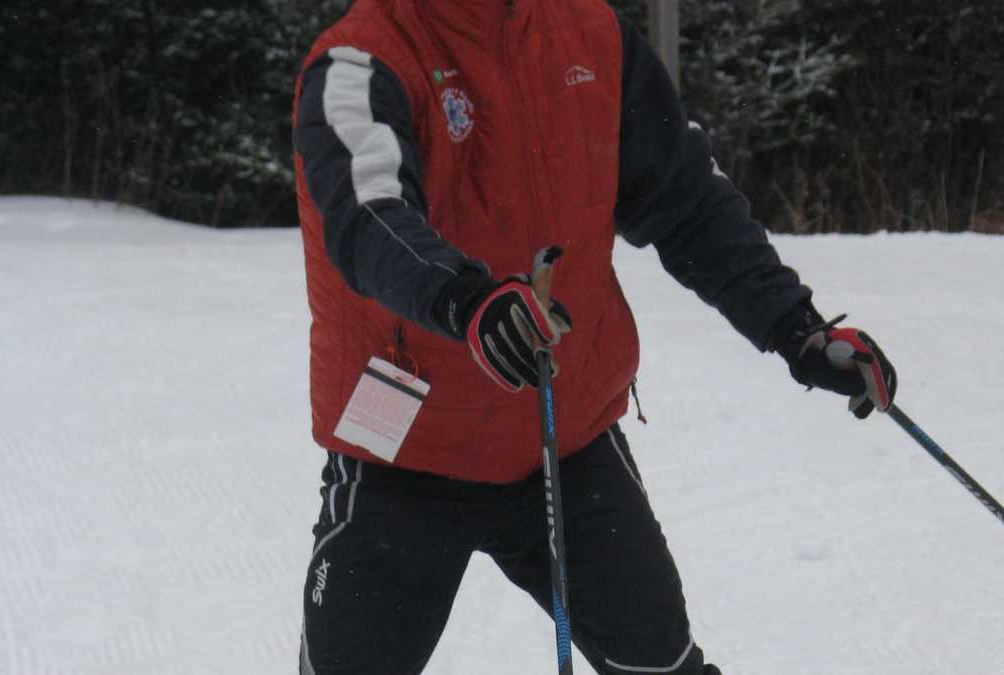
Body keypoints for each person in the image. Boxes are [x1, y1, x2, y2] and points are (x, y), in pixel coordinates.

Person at [291, 1, 897, 673]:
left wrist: (797, 329)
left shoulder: (591, 34)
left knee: (663, 665)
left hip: (563, 441)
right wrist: (468, 300)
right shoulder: (362, 58)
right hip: (407, 453)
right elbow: (367, 215)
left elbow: (687, 199)